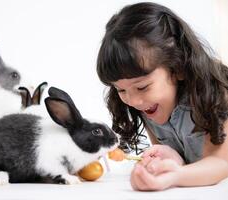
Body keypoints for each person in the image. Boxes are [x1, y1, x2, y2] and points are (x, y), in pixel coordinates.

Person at [96, 2, 228, 191]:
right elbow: (185, 162)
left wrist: (175, 176)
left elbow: (220, 163)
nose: (133, 101)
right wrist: (169, 158)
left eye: (142, 87)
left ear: (178, 67)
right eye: (121, 90)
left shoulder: (215, 94)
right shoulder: (150, 105)